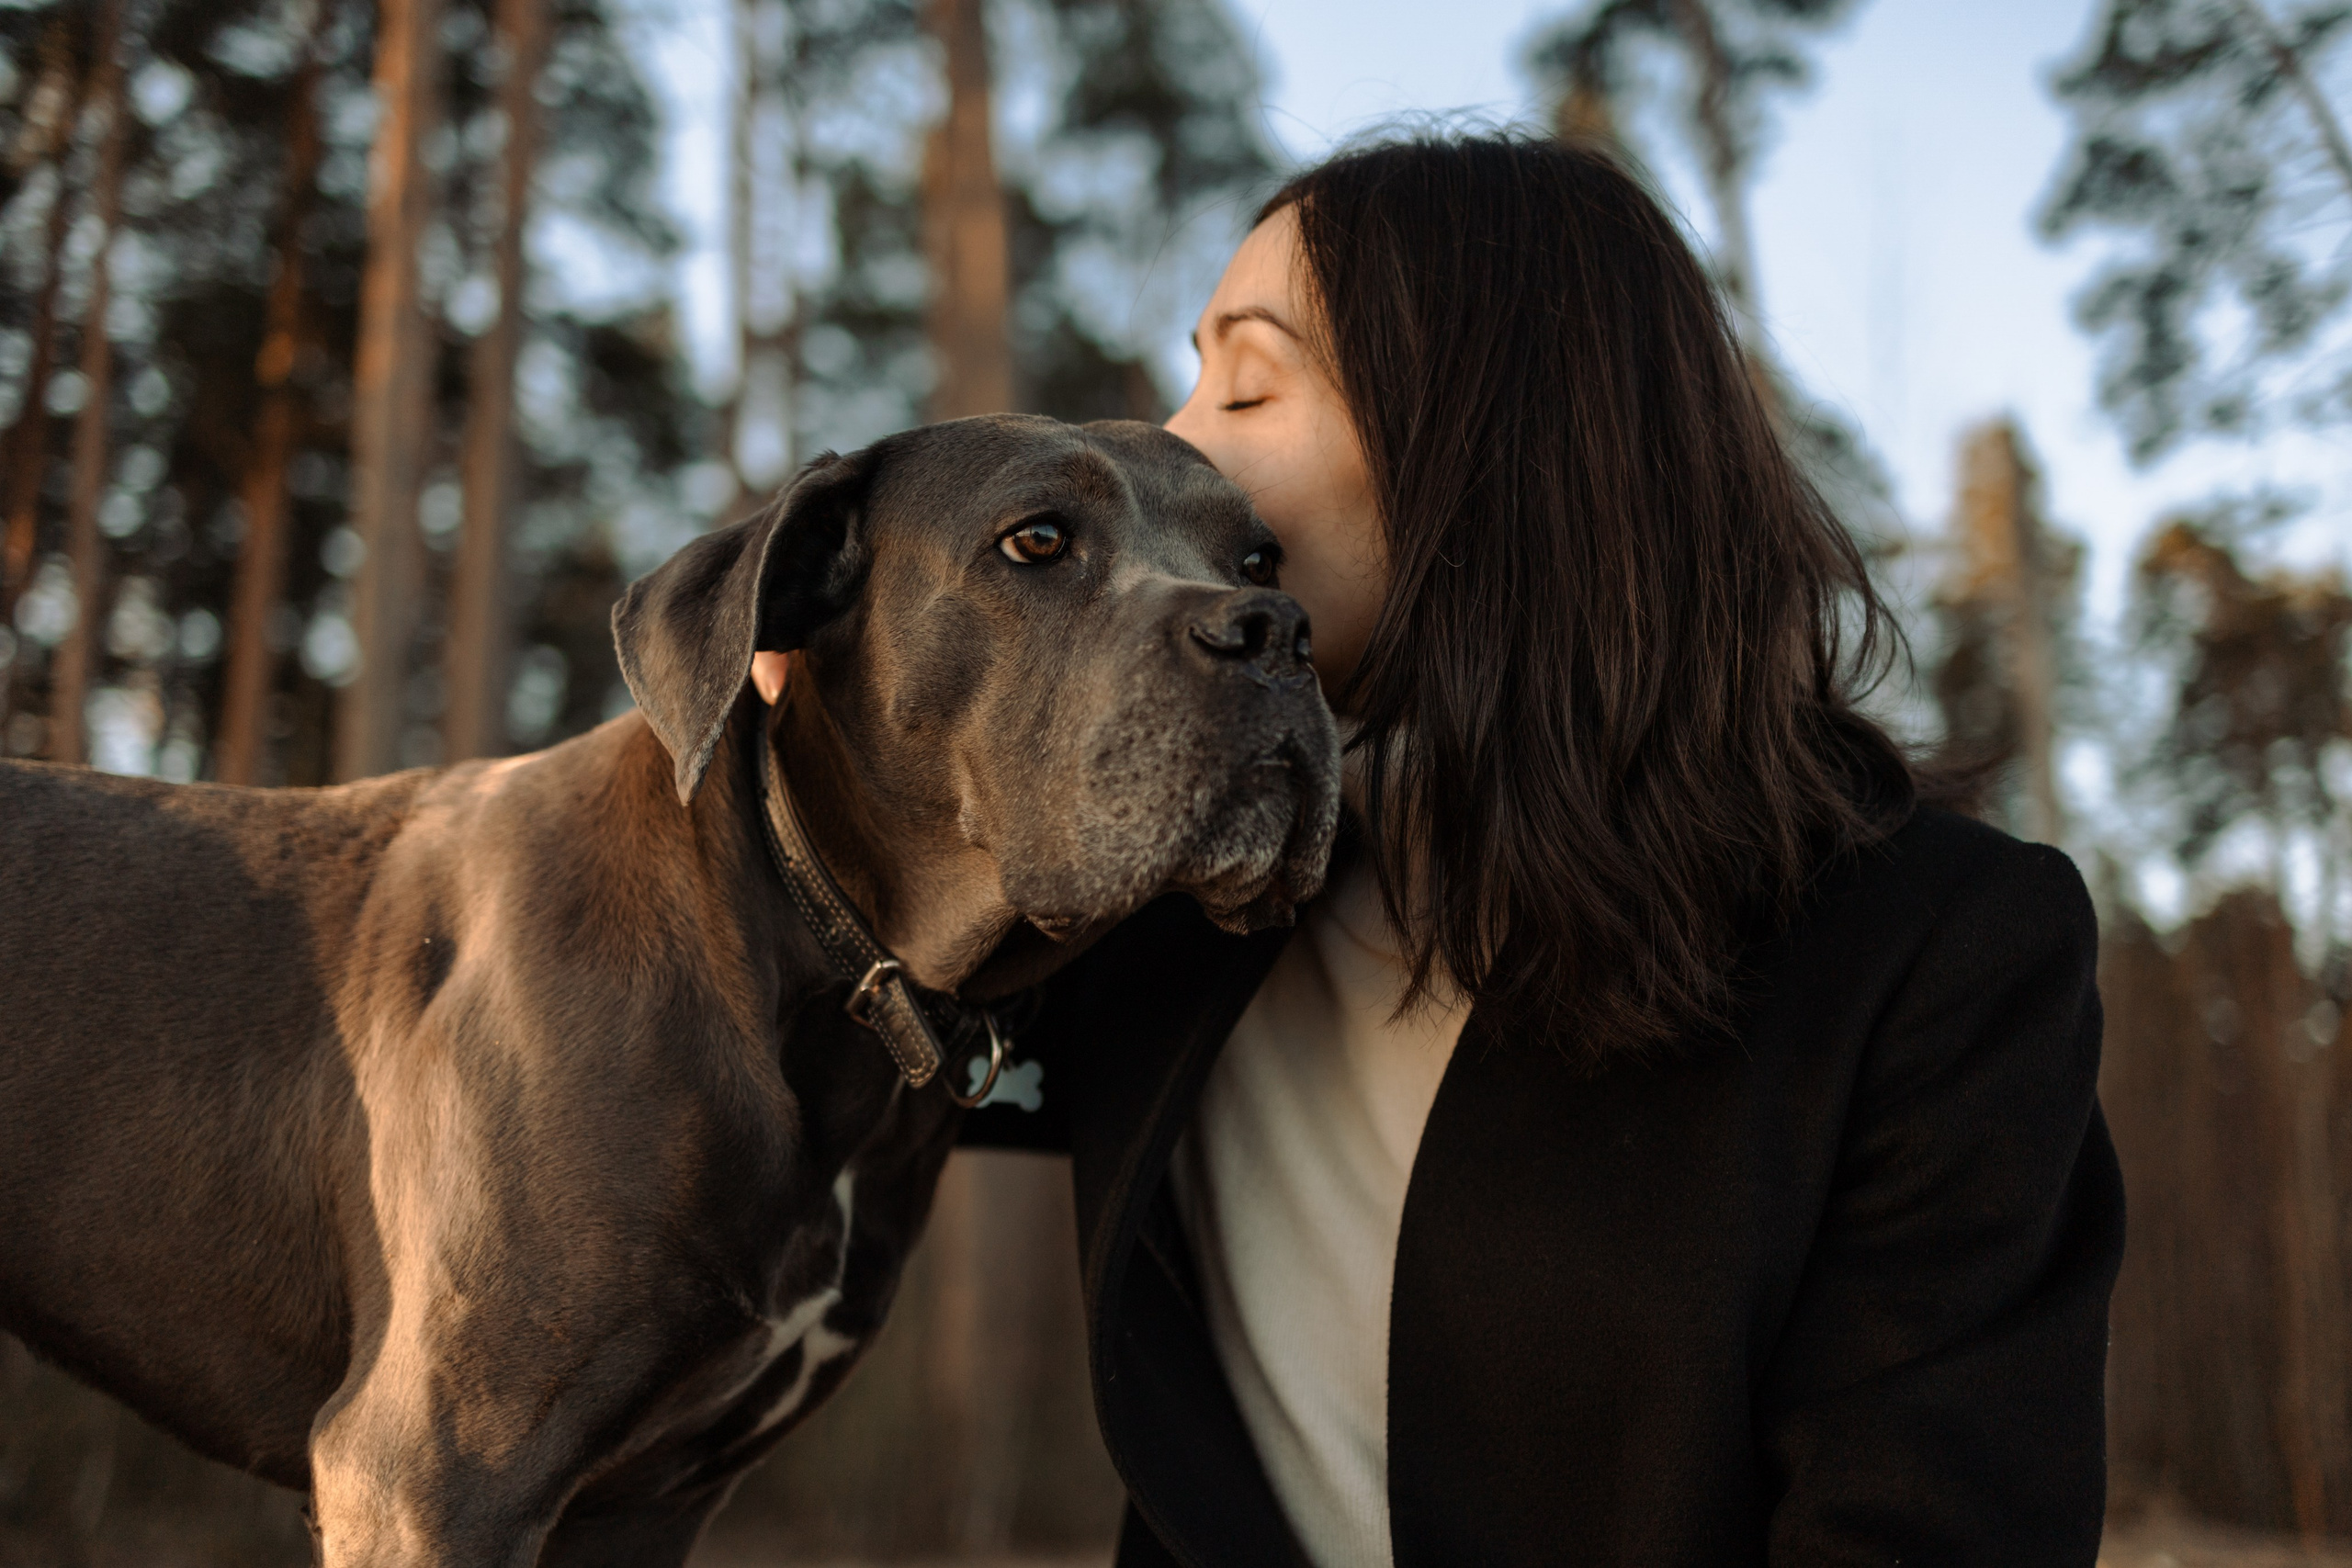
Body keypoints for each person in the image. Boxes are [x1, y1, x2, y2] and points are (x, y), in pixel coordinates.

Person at [946, 131, 2121, 1567]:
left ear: (1498, 444)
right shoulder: (1176, 890)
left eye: (1247, 386)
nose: (1171, 444)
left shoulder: (1936, 952)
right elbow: (826, 1008)